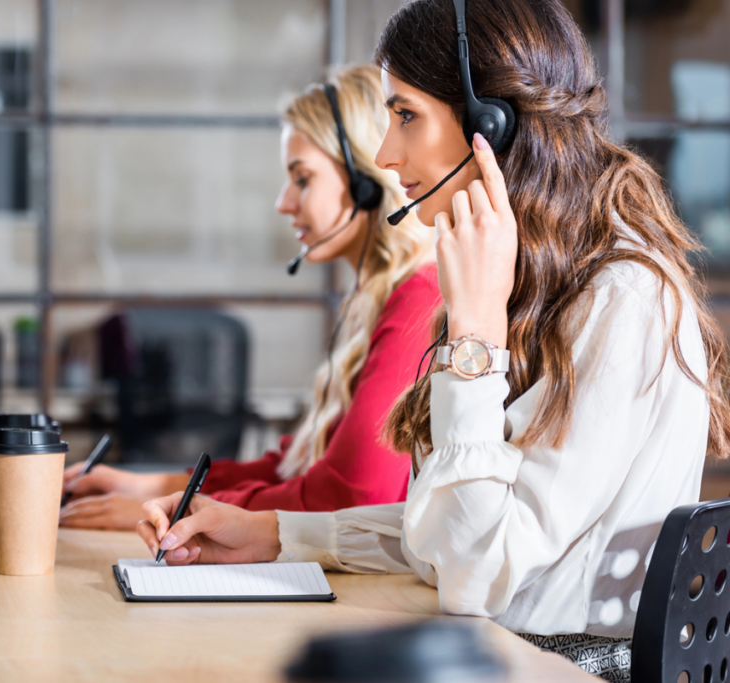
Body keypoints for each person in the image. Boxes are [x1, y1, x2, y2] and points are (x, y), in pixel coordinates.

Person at [134, 0, 730, 679]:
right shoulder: (528, 277)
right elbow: (452, 532)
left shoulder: (623, 301)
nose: (387, 155)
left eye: (406, 115)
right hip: (512, 654)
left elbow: (477, 571)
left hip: (565, 666)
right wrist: (276, 535)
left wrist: (473, 338)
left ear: (492, 125)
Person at [59, 64, 440, 530]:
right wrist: (152, 488)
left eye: (302, 179)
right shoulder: (375, 299)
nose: (284, 202)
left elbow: (350, 494)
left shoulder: (420, 298)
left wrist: (183, 509)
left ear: (365, 183)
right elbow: (291, 470)